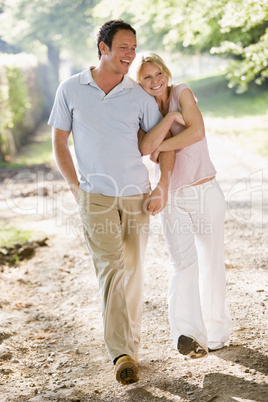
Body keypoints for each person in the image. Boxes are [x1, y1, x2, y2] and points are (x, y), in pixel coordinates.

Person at [48, 21, 175, 385]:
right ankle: (121, 352)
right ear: (102, 47)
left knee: (132, 271)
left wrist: (162, 184)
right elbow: (58, 142)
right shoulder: (71, 88)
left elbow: (159, 142)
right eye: (123, 47)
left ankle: (129, 346)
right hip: (95, 197)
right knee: (110, 269)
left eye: (133, 48)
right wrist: (76, 188)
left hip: (136, 195)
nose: (130, 54)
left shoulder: (137, 94)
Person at [136, 52, 232, 358]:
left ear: (166, 72)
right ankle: (188, 334)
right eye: (146, 77)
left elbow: (196, 132)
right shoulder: (143, 109)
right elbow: (144, 147)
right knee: (182, 264)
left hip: (205, 189)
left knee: (210, 261)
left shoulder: (182, 92)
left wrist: (158, 143)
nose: (155, 81)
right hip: (171, 196)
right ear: (139, 83)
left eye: (158, 73)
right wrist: (168, 121)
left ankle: (217, 333)